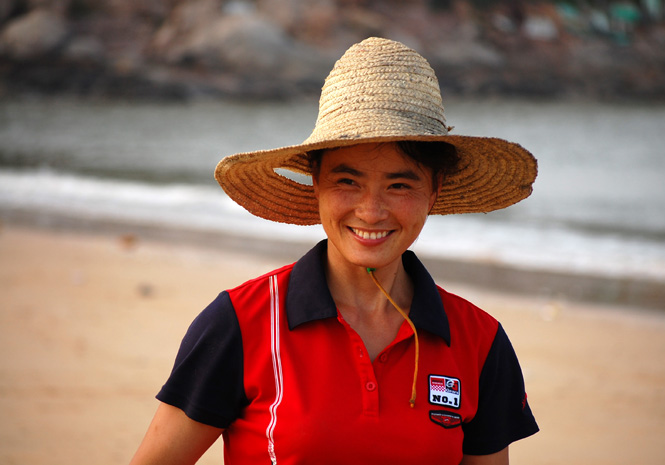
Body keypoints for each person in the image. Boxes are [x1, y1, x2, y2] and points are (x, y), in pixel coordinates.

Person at [130, 37, 539, 465]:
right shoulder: (242, 324)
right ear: (316, 184)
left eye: (400, 185)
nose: (371, 211)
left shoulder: (479, 341)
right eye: (348, 182)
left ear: (434, 191)